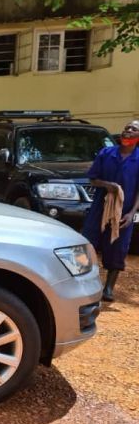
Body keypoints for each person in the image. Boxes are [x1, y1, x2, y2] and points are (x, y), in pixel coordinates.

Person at [81, 120, 139, 302]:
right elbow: (93, 179)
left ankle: (108, 289)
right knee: (89, 244)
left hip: (124, 211)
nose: (128, 131)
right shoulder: (107, 153)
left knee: (118, 248)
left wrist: (131, 213)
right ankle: (84, 285)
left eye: (133, 129)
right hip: (100, 208)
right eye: (126, 128)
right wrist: (109, 185)